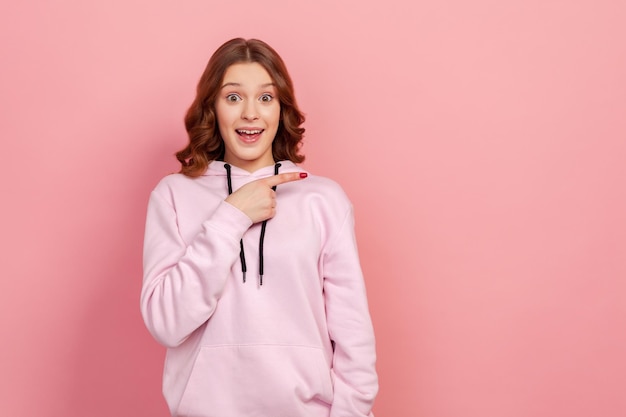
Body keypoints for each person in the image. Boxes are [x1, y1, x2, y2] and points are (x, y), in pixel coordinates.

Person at [140, 38, 378, 417]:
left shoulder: (323, 199)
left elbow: (353, 334)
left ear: (281, 108)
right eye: (233, 97)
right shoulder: (173, 194)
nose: (250, 113)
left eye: (265, 98)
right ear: (212, 108)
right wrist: (231, 216)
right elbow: (167, 323)